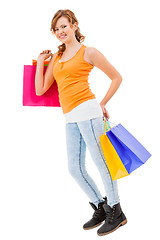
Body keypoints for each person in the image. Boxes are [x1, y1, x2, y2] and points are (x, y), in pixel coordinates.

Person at [35, 9, 127, 236]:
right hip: (70, 118)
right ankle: (100, 206)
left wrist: (102, 103)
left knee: (101, 163)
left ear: (75, 25)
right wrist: (40, 62)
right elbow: (40, 90)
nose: (60, 31)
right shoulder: (56, 57)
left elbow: (117, 77)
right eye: (56, 29)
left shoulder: (89, 52)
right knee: (74, 168)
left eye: (64, 26)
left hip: (88, 112)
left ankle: (117, 210)